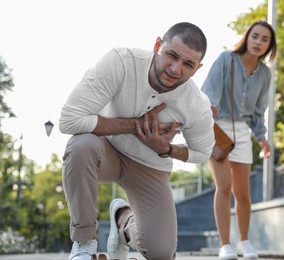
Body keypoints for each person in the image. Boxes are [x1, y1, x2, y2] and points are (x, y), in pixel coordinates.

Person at [59, 22, 214, 260]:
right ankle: (84, 244)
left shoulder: (196, 104)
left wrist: (167, 149)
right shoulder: (121, 62)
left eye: (188, 64)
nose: (175, 69)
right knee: (80, 146)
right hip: (105, 151)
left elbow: (203, 152)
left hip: (151, 166)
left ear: (197, 68)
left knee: (161, 254)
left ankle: (122, 219)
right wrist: (134, 125)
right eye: (172, 55)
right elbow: (69, 120)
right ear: (157, 45)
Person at [201, 20, 277, 260]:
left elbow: (258, 110)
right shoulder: (226, 60)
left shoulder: (264, 74)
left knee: (242, 193)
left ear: (269, 46)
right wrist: (210, 107)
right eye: (255, 36)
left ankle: (244, 241)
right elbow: (207, 91)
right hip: (217, 130)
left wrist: (262, 137)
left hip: (243, 132)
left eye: (265, 39)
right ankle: (225, 245)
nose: (258, 42)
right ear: (247, 37)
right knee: (223, 186)